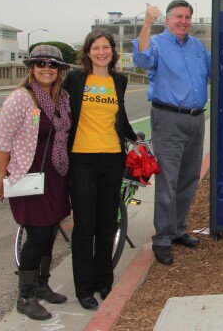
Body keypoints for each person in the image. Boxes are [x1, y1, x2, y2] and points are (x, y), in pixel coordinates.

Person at [0, 45, 71, 321]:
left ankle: (41, 284)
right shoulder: (21, 99)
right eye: (40, 64)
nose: (46, 69)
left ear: (59, 70)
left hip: (56, 174)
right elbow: (2, 142)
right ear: (32, 68)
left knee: (49, 232)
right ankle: (25, 296)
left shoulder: (63, 99)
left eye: (52, 64)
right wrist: (1, 177)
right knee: (37, 234)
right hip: (28, 175)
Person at [62, 28, 137, 310]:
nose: (101, 52)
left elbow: (121, 114)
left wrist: (132, 136)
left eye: (106, 47)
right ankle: (84, 288)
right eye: (96, 48)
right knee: (85, 226)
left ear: (113, 52)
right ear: (88, 51)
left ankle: (104, 281)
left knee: (107, 224)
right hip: (81, 160)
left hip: (112, 160)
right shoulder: (76, 78)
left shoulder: (119, 80)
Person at [132, 0, 211, 266]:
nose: (184, 21)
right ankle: (162, 238)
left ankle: (178, 229)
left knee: (189, 178)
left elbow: (219, 72)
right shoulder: (156, 43)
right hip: (168, 119)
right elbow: (141, 59)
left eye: (188, 17)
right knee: (168, 181)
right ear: (167, 19)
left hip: (196, 120)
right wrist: (146, 23)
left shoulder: (198, 48)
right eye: (179, 16)